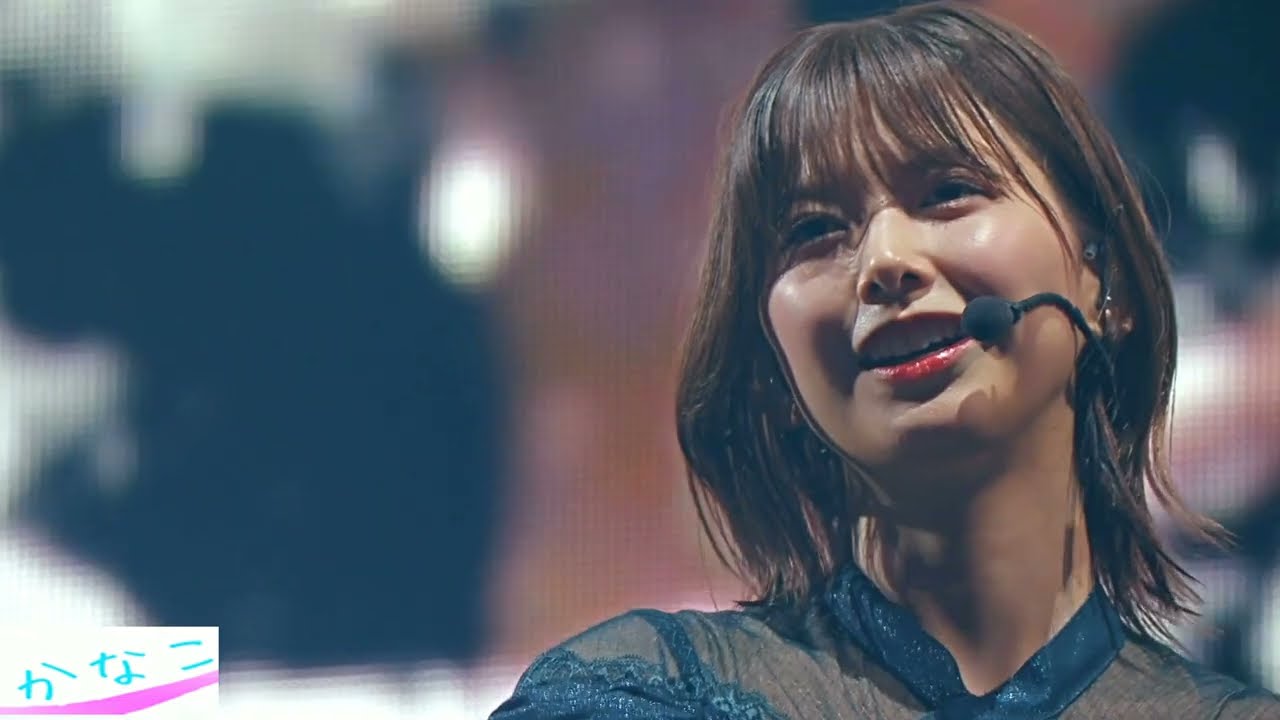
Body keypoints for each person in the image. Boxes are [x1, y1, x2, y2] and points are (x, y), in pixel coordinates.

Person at [489, 3, 1280, 718]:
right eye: (813, 230)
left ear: (1107, 281)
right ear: (774, 371)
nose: (884, 260)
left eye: (947, 192)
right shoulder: (634, 694)